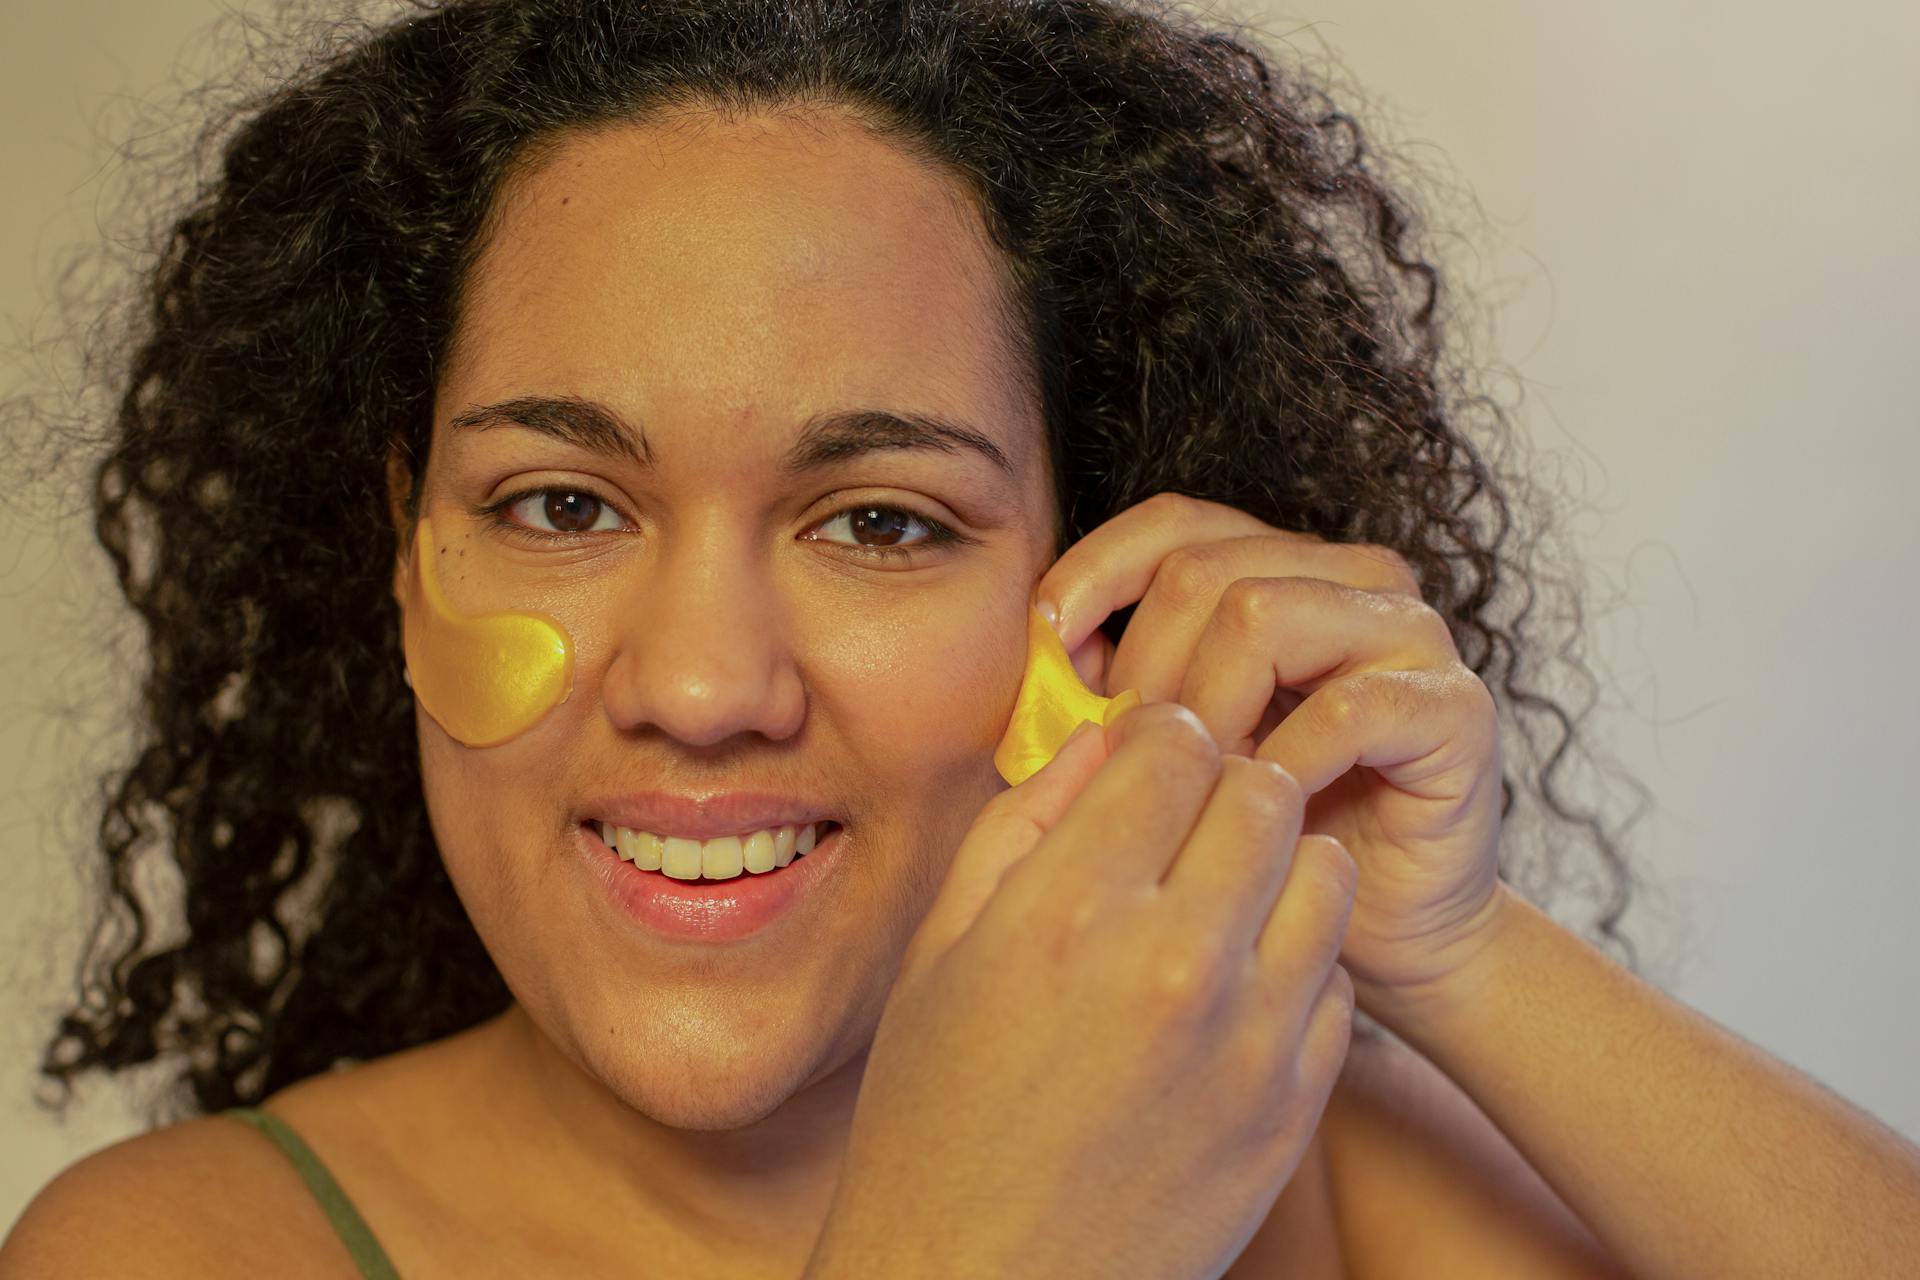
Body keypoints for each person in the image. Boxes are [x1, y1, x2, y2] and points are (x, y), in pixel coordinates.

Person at [6, 0, 1918, 1276]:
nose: (700, 690)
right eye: (562, 507)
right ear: (399, 558)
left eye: (883, 524)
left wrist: (1454, 949)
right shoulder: (172, 1253)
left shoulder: (1316, 1153)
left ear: (1099, 587)